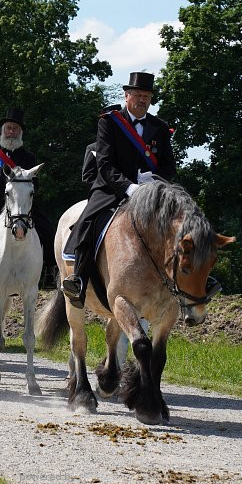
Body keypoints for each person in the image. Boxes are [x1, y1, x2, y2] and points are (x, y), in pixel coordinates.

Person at [61, 72, 175, 308]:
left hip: (151, 190)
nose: (142, 99)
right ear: (127, 95)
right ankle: (78, 279)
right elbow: (104, 163)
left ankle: (190, 281)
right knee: (88, 221)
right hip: (112, 188)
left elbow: (169, 166)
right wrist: (129, 187)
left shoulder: (160, 127)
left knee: (182, 219)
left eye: (147, 96)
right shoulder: (109, 122)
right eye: (138, 94)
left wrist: (153, 182)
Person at [0, 107, 56, 292]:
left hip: (22, 204)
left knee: (47, 228)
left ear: (20, 132)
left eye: (15, 129)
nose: (11, 132)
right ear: (2, 131)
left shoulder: (29, 157)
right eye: (8, 128)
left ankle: (49, 271)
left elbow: (35, 184)